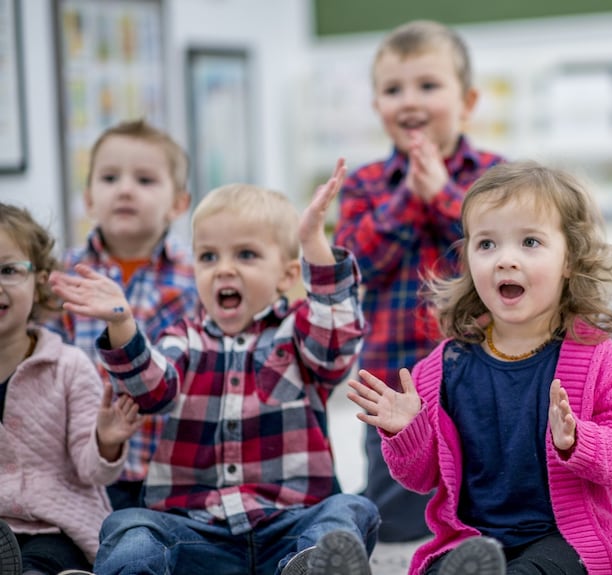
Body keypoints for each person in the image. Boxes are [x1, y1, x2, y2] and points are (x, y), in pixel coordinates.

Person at [50, 162, 380, 575]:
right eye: (208, 256)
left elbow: (337, 339)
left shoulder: (299, 333)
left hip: (290, 526)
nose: (224, 268)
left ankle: (313, 568)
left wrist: (313, 243)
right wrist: (122, 324)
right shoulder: (182, 339)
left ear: (287, 274)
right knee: (130, 523)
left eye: (246, 254)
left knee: (348, 510)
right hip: (196, 532)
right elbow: (151, 389)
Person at [348, 162, 612, 575]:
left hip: (565, 538)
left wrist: (578, 440)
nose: (505, 259)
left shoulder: (595, 355)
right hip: (474, 540)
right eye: (487, 244)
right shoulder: (444, 366)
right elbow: (421, 479)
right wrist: (407, 432)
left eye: (530, 242)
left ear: (569, 261)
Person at [333, 19, 505, 543]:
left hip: (484, 375)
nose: (410, 100)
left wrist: (447, 197)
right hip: (393, 380)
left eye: (428, 86)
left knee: (486, 500)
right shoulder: (363, 185)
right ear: (376, 105)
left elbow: (503, 254)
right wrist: (410, 198)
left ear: (467, 101)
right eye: (393, 89)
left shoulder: (497, 177)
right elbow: (352, 266)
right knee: (394, 515)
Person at [49, 118, 198, 511]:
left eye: (145, 180)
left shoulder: (197, 277)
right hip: (85, 465)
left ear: (179, 203)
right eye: (110, 177)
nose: (125, 189)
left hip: (176, 468)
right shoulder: (67, 276)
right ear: (89, 199)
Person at [0, 202, 141, 574]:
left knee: (41, 564)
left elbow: (92, 471)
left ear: (41, 279)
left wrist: (105, 440)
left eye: (8, 270)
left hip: (59, 526)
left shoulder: (68, 366)